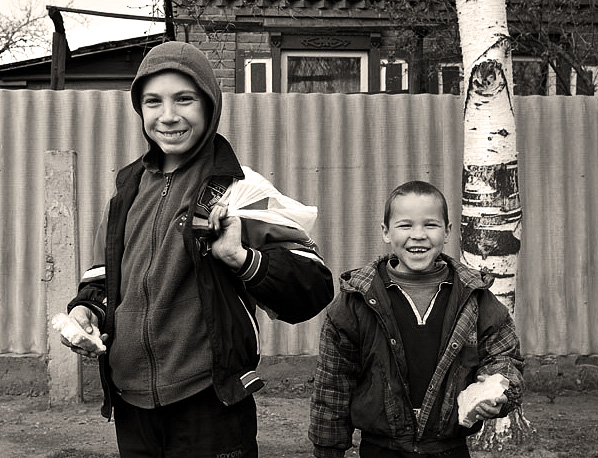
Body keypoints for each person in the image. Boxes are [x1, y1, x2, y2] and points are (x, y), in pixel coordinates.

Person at [60, 41, 334, 458]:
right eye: (153, 101)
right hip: (132, 404)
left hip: (210, 403)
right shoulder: (126, 190)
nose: (168, 116)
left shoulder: (239, 190)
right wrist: (87, 312)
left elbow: (312, 285)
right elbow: (104, 277)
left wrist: (240, 258)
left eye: (184, 99)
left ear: (209, 104)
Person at [309, 181, 524, 458]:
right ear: (386, 232)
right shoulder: (357, 300)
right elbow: (333, 383)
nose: (418, 235)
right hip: (380, 449)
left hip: (449, 449)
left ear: (447, 232)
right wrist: (328, 449)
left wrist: (499, 392)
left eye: (430, 225)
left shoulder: (475, 298)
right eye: (405, 225)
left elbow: (504, 359)